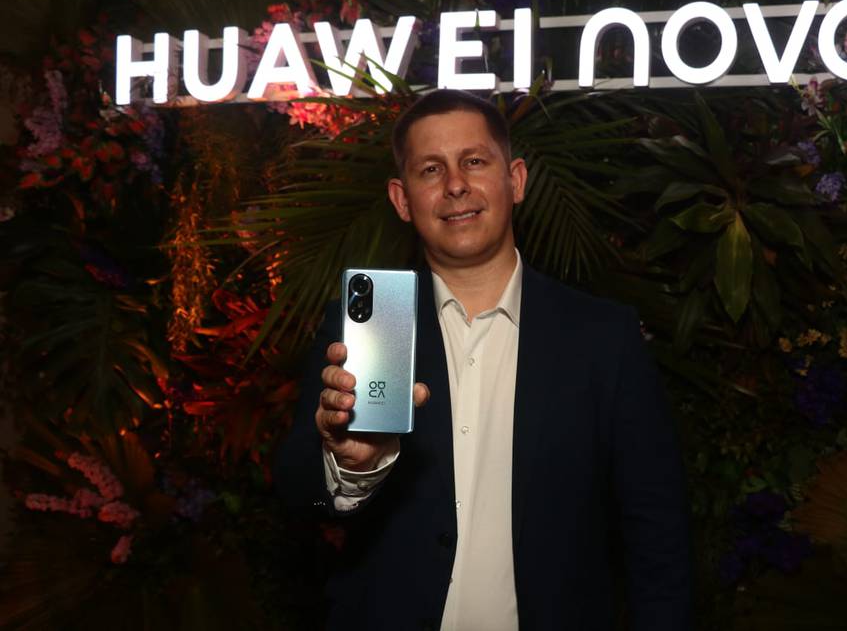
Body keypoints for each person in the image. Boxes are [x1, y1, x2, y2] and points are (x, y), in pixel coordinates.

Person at [274, 89, 692, 631]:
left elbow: (657, 529)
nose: (455, 184)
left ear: (515, 180)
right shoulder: (364, 334)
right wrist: (352, 467)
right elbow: (297, 495)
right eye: (431, 169)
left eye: (473, 161)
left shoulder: (602, 338)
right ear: (402, 200)